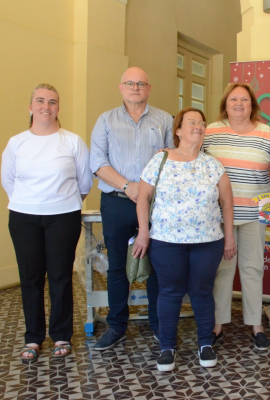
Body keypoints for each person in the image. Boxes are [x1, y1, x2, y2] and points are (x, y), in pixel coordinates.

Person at [132, 107, 236, 371]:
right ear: (177, 130)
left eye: (202, 123)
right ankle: (167, 347)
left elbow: (227, 203)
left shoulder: (212, 165)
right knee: (170, 292)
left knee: (202, 292)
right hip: (166, 241)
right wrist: (143, 232)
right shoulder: (160, 160)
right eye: (192, 122)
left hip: (207, 242)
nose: (198, 127)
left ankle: (205, 343)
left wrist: (229, 238)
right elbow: (143, 198)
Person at [1, 83, 93, 361]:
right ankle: (33, 338)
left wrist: (61, 202)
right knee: (30, 278)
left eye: (52, 102)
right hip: (23, 217)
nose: (46, 106)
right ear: (30, 107)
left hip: (63, 217)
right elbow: (8, 180)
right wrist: (30, 202)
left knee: (60, 276)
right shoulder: (16, 143)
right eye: (40, 101)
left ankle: (61, 335)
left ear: (58, 108)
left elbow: (84, 182)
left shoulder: (72, 141)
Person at [90, 67, 174, 350]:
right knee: (117, 267)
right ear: (121, 87)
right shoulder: (106, 120)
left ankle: (159, 325)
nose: (135, 88)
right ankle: (117, 326)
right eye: (130, 83)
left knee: (157, 266)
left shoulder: (164, 120)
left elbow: (173, 159)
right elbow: (97, 162)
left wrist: (147, 189)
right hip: (116, 201)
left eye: (141, 84)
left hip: (155, 205)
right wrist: (128, 186)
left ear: (149, 88)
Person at [204, 83, 270, 350]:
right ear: (225, 104)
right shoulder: (210, 132)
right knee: (221, 270)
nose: (239, 104)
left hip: (254, 216)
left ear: (252, 105)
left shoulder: (266, 133)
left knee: (252, 269)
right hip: (217, 217)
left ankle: (256, 325)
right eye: (233, 99)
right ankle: (218, 324)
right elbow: (194, 163)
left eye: (244, 100)